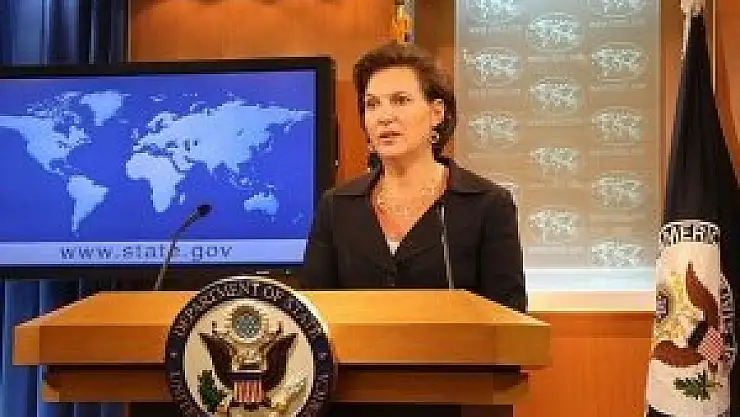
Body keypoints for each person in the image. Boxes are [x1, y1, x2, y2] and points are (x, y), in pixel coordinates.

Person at [300, 41, 527, 417]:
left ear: (437, 112)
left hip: (458, 403)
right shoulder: (337, 206)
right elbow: (311, 317)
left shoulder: (486, 204)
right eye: (372, 105)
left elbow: (510, 323)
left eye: (400, 100)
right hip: (354, 403)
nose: (384, 116)